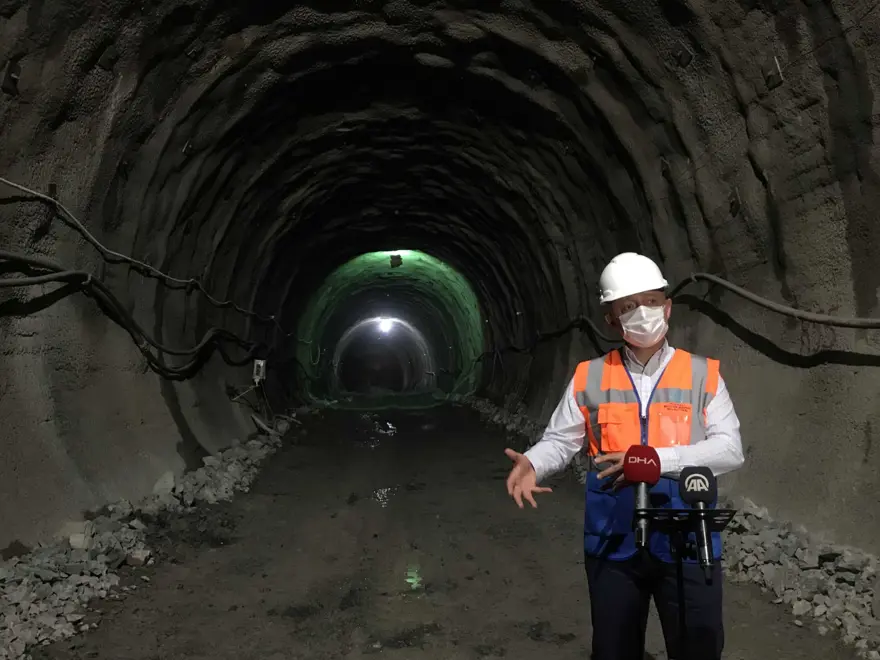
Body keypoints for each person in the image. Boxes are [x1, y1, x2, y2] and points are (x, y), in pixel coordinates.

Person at [504, 252, 745, 660]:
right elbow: (561, 440)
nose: (643, 313)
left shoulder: (703, 375)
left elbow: (729, 449)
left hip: (686, 538)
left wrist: (656, 460)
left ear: (667, 307)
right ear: (611, 320)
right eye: (629, 306)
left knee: (698, 650)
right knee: (613, 651)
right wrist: (534, 461)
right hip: (612, 540)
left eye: (651, 301)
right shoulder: (589, 376)